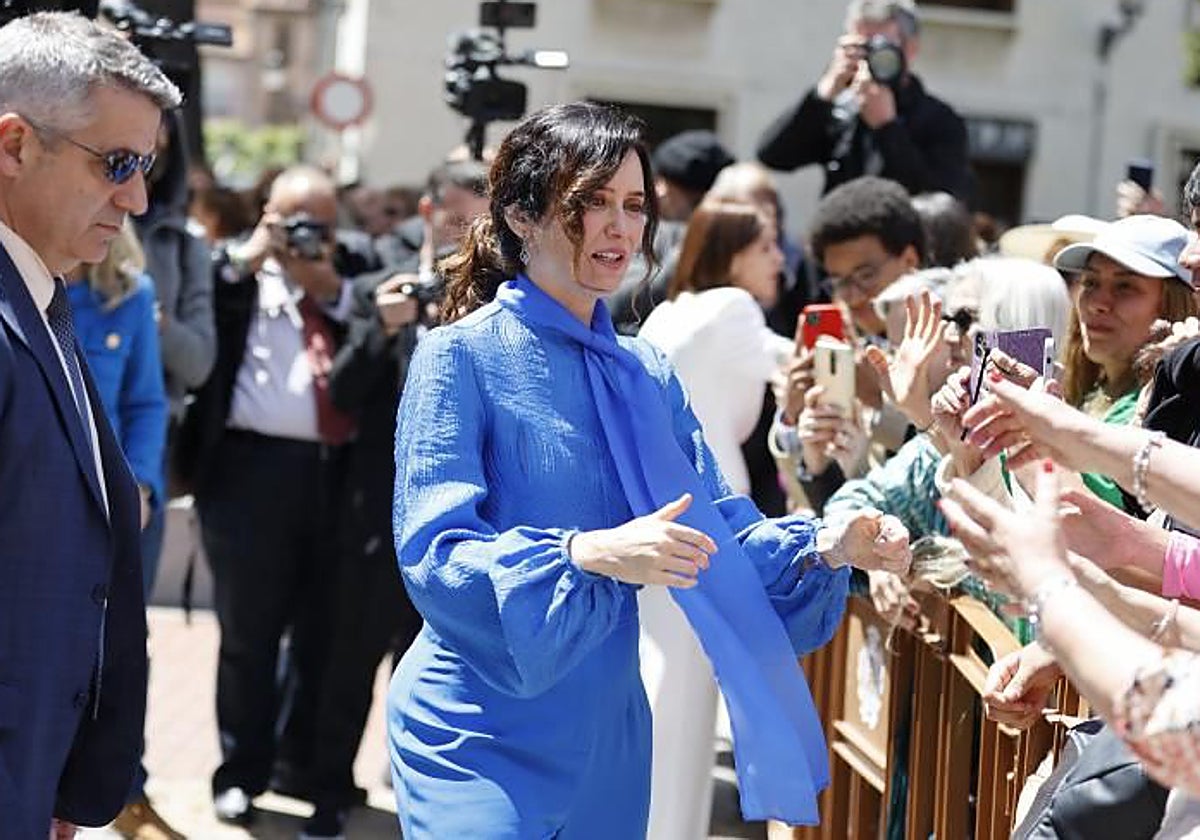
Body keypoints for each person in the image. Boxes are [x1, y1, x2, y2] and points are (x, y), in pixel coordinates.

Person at [388, 101, 912, 839]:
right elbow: (434, 556)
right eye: (592, 202)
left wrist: (830, 544)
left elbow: (718, 532)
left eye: (634, 206)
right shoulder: (459, 356)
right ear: (520, 215)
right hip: (477, 728)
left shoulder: (646, 370)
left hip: (612, 734)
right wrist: (587, 551)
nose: (620, 227)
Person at [0, 11, 181, 837]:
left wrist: (58, 778)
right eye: (116, 163)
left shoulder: (45, 296)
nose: (137, 196)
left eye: (143, 167)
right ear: (13, 145)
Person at [174, 165, 380, 825]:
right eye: (293, 219)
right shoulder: (236, 272)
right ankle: (241, 772)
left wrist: (330, 286)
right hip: (247, 472)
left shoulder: (351, 268)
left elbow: (378, 319)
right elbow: (207, 290)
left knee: (324, 635)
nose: (305, 234)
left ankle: (306, 766)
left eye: (319, 222)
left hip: (337, 475)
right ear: (266, 213)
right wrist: (254, 253)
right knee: (248, 636)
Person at [637, 200, 791, 840]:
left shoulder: (668, 312)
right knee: (687, 687)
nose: (780, 260)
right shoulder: (733, 308)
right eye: (768, 247)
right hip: (709, 512)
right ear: (731, 253)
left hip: (656, 506)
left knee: (660, 673)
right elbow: (803, 363)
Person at [756, 0, 971, 200]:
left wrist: (888, 128)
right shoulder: (841, 112)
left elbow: (940, 198)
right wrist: (824, 92)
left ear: (911, 49)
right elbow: (774, 156)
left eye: (883, 48)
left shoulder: (940, 120)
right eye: (862, 48)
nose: (870, 59)